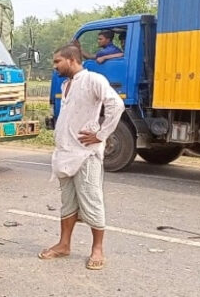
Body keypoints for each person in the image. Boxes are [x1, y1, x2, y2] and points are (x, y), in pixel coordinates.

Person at [38, 44, 124, 270]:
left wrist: (101, 134)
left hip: (85, 155)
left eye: (58, 61)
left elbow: (116, 104)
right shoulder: (67, 84)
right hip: (65, 155)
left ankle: (97, 249)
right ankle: (64, 244)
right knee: (67, 204)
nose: (55, 66)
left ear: (71, 59)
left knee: (92, 201)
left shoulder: (93, 79)